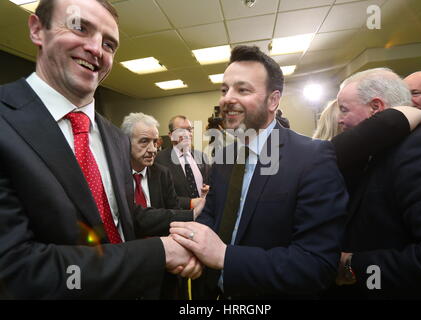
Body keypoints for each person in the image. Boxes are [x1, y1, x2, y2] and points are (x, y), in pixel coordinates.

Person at [0, 0, 202, 299]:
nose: (96, 49)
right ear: (37, 30)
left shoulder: (113, 136)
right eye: (79, 27)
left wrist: (196, 216)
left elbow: (125, 214)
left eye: (109, 44)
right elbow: (15, 272)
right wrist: (157, 253)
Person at [169, 45, 349, 299]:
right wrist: (193, 249)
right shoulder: (224, 158)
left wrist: (225, 257)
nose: (227, 99)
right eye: (225, 89)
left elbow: (316, 264)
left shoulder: (312, 158)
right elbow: (211, 216)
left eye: (242, 89)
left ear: (273, 100)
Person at [334, 68, 421, 299]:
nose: (339, 119)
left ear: (376, 108)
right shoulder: (370, 152)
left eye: (344, 110)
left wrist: (348, 265)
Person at [121, 112, 203, 211]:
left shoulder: (162, 172)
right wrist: (190, 204)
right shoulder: (115, 176)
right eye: (144, 141)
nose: (153, 149)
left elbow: (172, 208)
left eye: (155, 142)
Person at [155, 115, 210, 206]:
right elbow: (161, 197)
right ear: (171, 135)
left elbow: (210, 183)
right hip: (179, 217)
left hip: (204, 214)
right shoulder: (160, 159)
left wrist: (209, 189)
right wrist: (190, 203)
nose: (186, 134)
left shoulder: (202, 157)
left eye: (189, 129)